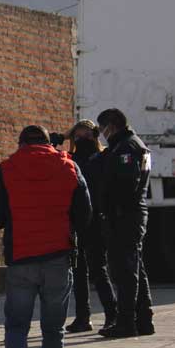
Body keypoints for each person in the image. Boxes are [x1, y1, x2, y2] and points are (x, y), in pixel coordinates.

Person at [0, 125, 92, 348]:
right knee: (53, 330)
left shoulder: (6, 169)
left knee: (17, 325)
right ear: (48, 143)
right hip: (57, 257)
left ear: (21, 144)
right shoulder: (69, 166)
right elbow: (85, 214)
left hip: (21, 259)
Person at [96, 109, 155, 339]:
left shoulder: (127, 147)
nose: (102, 133)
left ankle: (127, 321)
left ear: (112, 125)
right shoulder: (131, 145)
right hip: (129, 214)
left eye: (103, 128)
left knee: (125, 270)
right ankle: (143, 319)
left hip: (125, 216)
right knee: (135, 267)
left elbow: (126, 185)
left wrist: (112, 211)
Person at [66, 120, 118, 333]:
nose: (82, 139)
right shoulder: (71, 159)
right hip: (77, 220)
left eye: (87, 135)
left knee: (98, 269)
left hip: (96, 220)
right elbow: (51, 144)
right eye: (78, 136)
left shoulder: (103, 157)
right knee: (78, 271)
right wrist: (65, 136)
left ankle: (112, 315)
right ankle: (82, 317)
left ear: (95, 136)